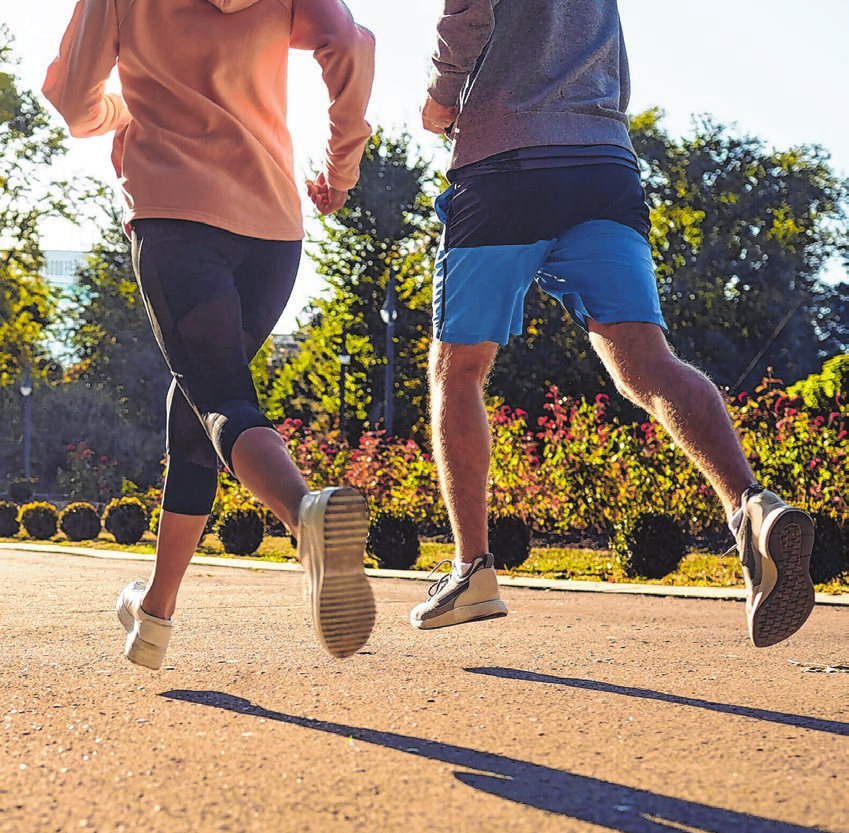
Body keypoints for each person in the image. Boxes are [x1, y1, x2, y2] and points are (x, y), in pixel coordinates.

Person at [410, 0, 816, 648]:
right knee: (647, 365)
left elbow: (466, 14)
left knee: (458, 368)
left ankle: (473, 568)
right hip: (601, 161)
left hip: (505, 161)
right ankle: (750, 506)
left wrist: (439, 98)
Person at [43, 0, 378, 669]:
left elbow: (75, 101)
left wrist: (122, 113)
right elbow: (349, 40)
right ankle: (157, 610)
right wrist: (341, 170)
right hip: (273, 231)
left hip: (176, 215)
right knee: (197, 403)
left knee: (221, 397)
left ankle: (304, 513)